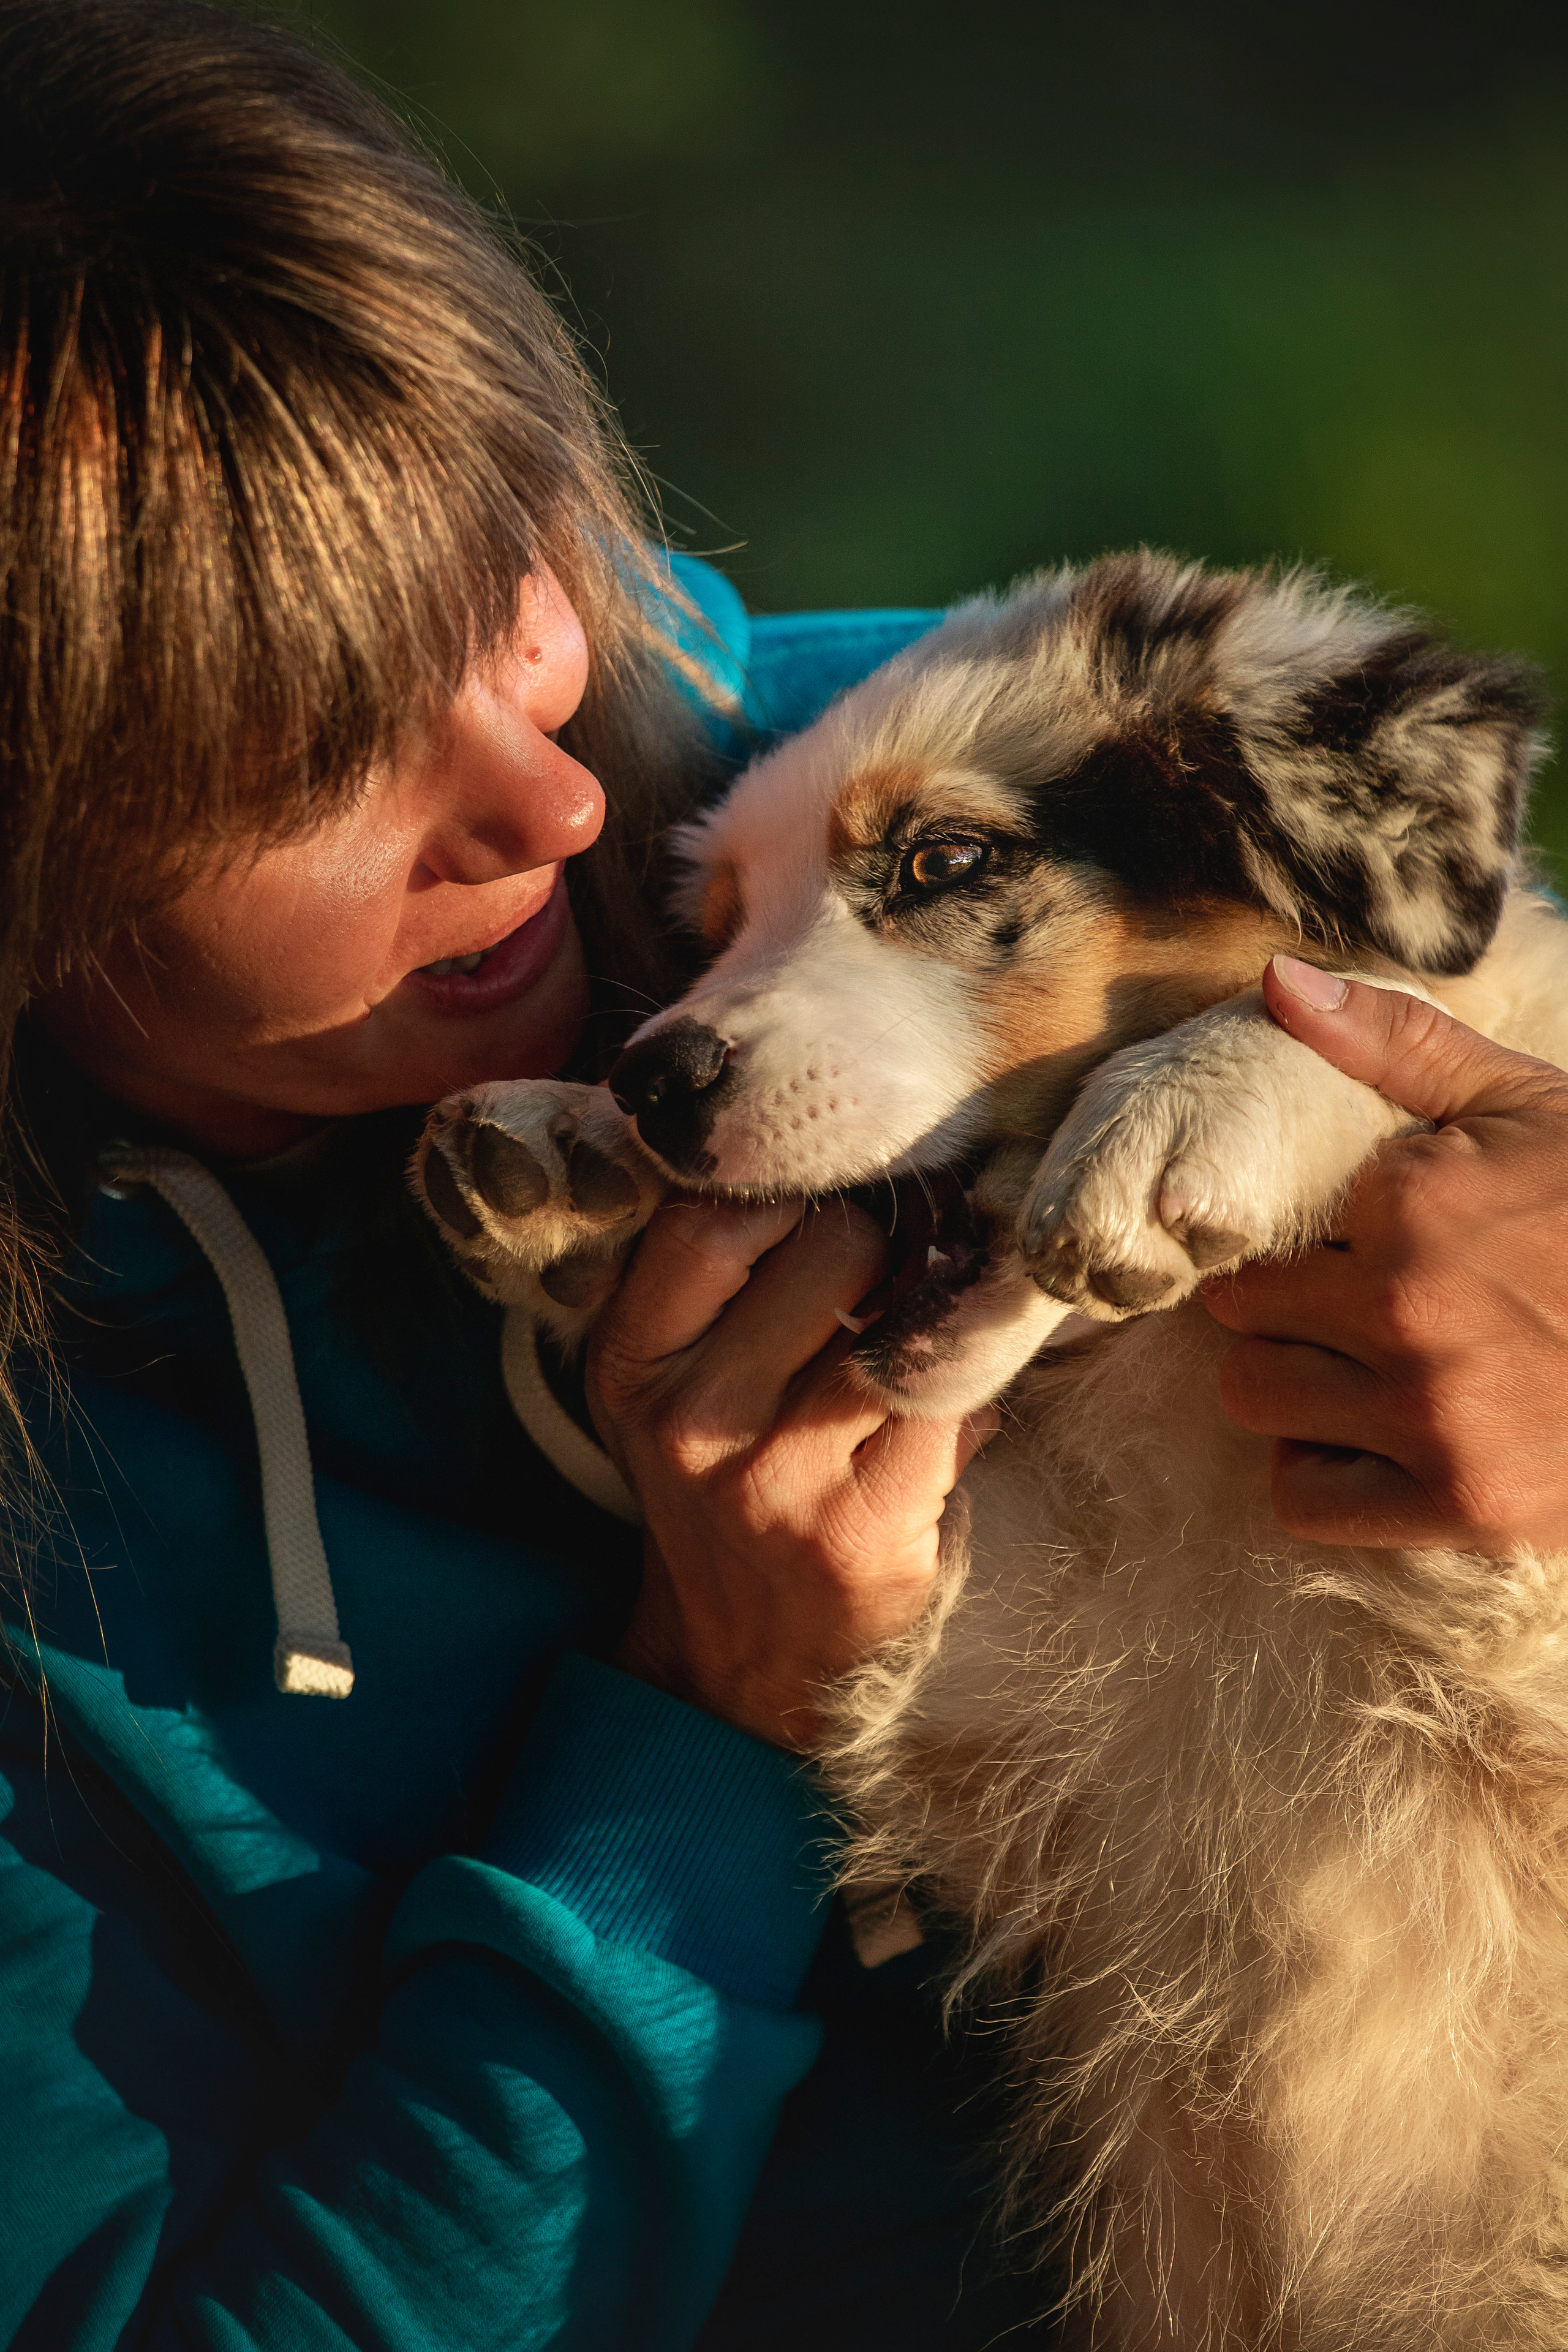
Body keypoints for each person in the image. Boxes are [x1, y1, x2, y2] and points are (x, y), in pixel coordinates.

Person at [4, 4, 1568, 2348]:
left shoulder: (934, 748)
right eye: (316, 745)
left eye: (507, 575)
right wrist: (701, 1732)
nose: (552, 808)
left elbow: (1474, 981)